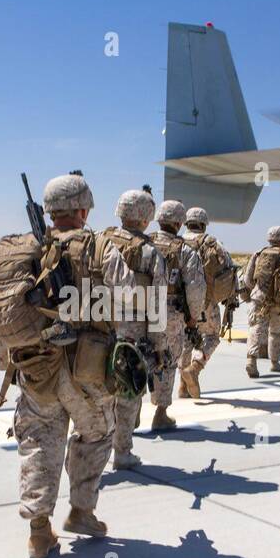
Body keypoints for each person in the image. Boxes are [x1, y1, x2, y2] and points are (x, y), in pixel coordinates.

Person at [11, 172, 137, 558]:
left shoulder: (28, 248)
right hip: (89, 371)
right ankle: (82, 511)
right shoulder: (101, 248)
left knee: (39, 444)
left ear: (50, 210)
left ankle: (38, 532)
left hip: (37, 368)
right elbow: (130, 297)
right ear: (83, 209)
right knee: (97, 436)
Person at [102, 189, 168, 470]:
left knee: (98, 390)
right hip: (133, 334)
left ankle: (93, 449)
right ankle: (122, 453)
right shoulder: (151, 252)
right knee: (128, 392)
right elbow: (157, 303)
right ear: (146, 218)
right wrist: (159, 345)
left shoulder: (100, 242)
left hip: (99, 327)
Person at [149, 200, 206, 430]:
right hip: (170, 313)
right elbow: (195, 287)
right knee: (167, 361)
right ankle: (160, 414)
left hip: (140, 310)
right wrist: (193, 315)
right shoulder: (184, 250)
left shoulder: (145, 242)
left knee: (139, 357)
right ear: (178, 222)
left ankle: (130, 414)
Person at [179, 206, 236, 396]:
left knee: (185, 341)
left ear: (186, 223)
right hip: (205, 302)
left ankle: (182, 386)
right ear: (204, 224)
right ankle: (194, 368)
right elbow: (229, 271)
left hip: (178, 302)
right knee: (210, 337)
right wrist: (230, 298)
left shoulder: (176, 241)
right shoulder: (212, 243)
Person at [240, 226, 280, 378]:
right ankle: (275, 363)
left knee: (256, 329)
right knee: (276, 332)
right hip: (279, 301)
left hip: (259, 298)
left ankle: (251, 360)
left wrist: (256, 290)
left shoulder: (259, 253)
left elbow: (248, 280)